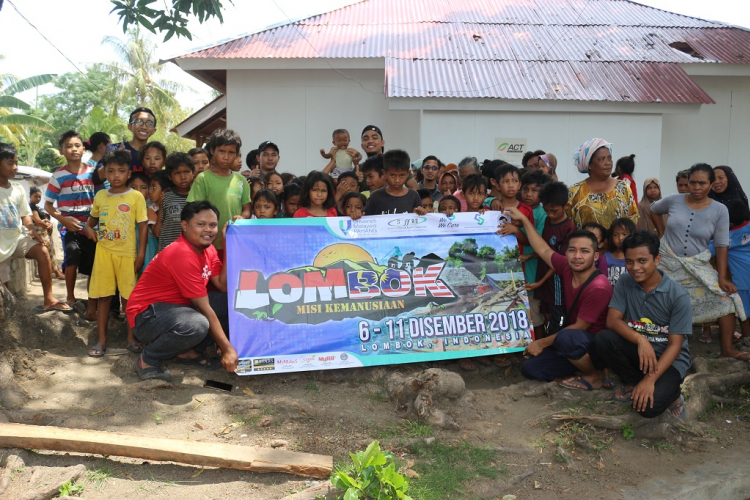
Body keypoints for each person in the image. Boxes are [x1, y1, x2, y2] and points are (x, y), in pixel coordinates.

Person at [126, 201, 238, 381]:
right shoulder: (182, 254)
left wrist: (226, 241)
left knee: (230, 302)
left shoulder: (208, 250)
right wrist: (228, 348)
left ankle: (189, 352)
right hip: (146, 316)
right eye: (201, 224)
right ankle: (148, 359)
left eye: (213, 225)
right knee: (197, 324)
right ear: (185, 226)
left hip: (176, 309)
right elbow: (204, 308)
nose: (208, 230)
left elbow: (223, 286)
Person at [505, 207, 613, 389]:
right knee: (530, 369)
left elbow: (580, 327)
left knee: (567, 338)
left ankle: (593, 375)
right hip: (573, 342)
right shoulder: (567, 267)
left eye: (584, 251)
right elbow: (543, 250)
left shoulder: (599, 286)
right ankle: (577, 368)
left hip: (593, 345)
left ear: (596, 256)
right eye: (572, 250)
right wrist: (523, 220)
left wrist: (541, 343)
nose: (577, 256)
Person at [651, 163, 748, 360]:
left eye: (702, 183)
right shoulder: (673, 200)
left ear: (711, 184)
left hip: (697, 265)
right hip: (667, 263)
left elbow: (721, 245)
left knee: (728, 298)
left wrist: (722, 278)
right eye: (692, 182)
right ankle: (656, 346)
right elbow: (653, 209)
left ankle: (727, 349)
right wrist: (662, 234)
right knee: (655, 300)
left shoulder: (720, 210)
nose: (696, 187)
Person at [594, 231, 691, 419]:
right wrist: (641, 340)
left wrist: (651, 379)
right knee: (602, 339)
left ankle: (673, 395)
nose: (635, 267)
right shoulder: (625, 281)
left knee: (646, 408)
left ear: (657, 259)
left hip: (668, 360)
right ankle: (634, 381)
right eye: (629, 261)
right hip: (640, 352)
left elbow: (675, 346)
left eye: (642, 261)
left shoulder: (678, 295)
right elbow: (612, 320)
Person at [83, 150, 148, 357]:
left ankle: (131, 337)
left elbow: (144, 227)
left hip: (128, 254)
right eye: (110, 171)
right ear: (105, 173)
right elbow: (91, 221)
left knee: (128, 299)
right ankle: (102, 339)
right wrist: (88, 229)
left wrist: (140, 255)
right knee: (104, 297)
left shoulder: (136, 197)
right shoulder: (101, 195)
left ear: (129, 172)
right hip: (104, 254)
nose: (116, 175)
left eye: (121, 171)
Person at [0, 143, 70, 311]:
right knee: (4, 289)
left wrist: (32, 230)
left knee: (42, 251)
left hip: (16, 239)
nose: (15, 167)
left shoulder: (17, 189)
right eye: (10, 163)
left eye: (16, 163)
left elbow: (25, 215)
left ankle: (49, 298)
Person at [45, 131, 98, 319]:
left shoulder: (94, 172)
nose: (74, 149)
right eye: (69, 146)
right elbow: (48, 205)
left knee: (93, 263)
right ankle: (70, 296)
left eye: (77, 145)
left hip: (92, 225)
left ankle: (93, 301)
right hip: (70, 225)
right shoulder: (58, 175)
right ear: (61, 151)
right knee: (72, 257)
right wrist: (63, 220)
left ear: (84, 149)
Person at [188, 129, 251, 260]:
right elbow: (193, 209)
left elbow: (247, 209)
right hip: (207, 244)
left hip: (234, 242)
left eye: (231, 152)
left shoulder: (241, 181)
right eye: (222, 151)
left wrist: (242, 217)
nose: (226, 157)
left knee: (231, 280)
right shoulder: (203, 178)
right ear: (212, 151)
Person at [531, 182, 576, 337]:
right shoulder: (548, 221)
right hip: (545, 277)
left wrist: (540, 282)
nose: (550, 214)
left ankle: (554, 349)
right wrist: (531, 255)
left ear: (566, 206)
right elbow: (546, 248)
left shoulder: (569, 228)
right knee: (546, 314)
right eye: (546, 210)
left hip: (557, 281)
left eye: (554, 211)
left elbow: (560, 263)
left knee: (557, 317)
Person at [568, 138, 638, 229]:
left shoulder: (623, 187)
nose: (608, 163)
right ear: (589, 165)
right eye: (602, 159)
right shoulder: (575, 192)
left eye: (609, 158)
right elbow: (569, 226)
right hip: (586, 243)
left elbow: (633, 220)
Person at [710, 199, 750, 338]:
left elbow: (706, 251)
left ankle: (747, 339)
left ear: (729, 223)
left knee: (744, 313)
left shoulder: (725, 237)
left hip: (742, 283)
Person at [519, 170, 552, 334]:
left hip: (533, 273)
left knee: (534, 317)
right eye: (525, 189)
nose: (528, 194)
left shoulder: (542, 214)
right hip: (519, 270)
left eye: (534, 190)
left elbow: (534, 240)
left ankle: (539, 347)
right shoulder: (517, 208)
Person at [363, 150, 426, 216]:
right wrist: (357, 214)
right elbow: (365, 218)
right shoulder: (375, 197)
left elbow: (420, 220)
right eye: (393, 175)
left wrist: (421, 212)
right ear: (384, 173)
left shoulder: (414, 196)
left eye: (402, 175)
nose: (397, 180)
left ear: (408, 174)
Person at [156, 152, 195, 253]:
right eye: (177, 173)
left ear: (193, 173)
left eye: (186, 171)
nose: (183, 177)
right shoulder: (166, 196)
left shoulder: (198, 196)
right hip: (167, 251)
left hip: (189, 252)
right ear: (170, 176)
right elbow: (157, 231)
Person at [360, 125, 418, 190]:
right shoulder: (359, 168)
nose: (370, 141)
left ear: (382, 142)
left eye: (374, 138)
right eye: (365, 139)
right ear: (362, 145)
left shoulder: (393, 162)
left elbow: (414, 188)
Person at [29, 187, 65, 280]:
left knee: (51, 252)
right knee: (49, 252)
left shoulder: (37, 207)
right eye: (35, 196)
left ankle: (57, 271)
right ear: (30, 197)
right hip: (40, 233)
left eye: (39, 197)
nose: (38, 199)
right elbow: (37, 221)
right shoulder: (31, 207)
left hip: (45, 232)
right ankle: (56, 272)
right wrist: (47, 225)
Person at [110, 107, 157, 173]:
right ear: (130, 127)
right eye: (139, 122)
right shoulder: (114, 149)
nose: (144, 127)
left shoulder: (156, 155)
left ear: (153, 131)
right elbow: (96, 178)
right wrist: (114, 160)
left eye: (149, 123)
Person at [127, 172, 158, 271]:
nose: (138, 191)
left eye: (143, 187)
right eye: (134, 187)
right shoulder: (124, 208)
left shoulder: (151, 208)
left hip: (149, 249)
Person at [603, 217, 636, 288]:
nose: (620, 238)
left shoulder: (635, 257)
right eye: (616, 235)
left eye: (624, 234)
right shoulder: (606, 258)